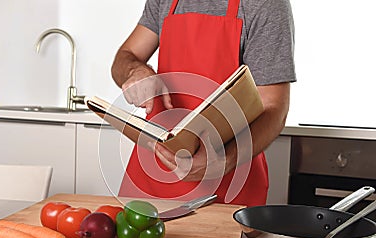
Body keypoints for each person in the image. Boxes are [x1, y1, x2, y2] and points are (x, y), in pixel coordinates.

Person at [111, 0, 296, 206]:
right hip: (151, 175)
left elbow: (273, 106)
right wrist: (136, 72)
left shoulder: (265, 4)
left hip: (226, 181)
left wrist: (227, 160)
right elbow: (126, 56)